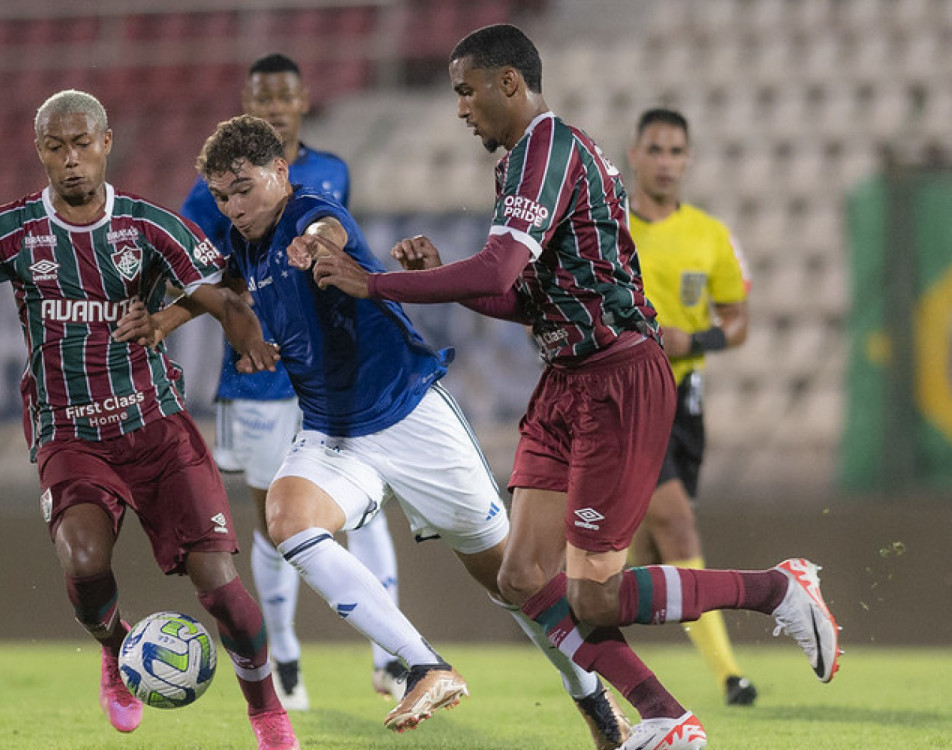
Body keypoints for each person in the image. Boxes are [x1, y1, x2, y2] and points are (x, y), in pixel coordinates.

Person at [309, 25, 840, 750]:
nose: (461, 110)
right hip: (565, 382)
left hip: (619, 378)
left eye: (466, 91)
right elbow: (519, 295)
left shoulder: (550, 148)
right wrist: (440, 275)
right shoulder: (521, 167)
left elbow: (497, 271)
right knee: (523, 576)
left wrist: (375, 283)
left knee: (593, 592)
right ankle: (664, 716)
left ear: (507, 83)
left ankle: (776, 589)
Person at [136, 113, 632, 747]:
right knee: (288, 519)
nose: (233, 206)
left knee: (518, 583)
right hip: (334, 433)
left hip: (411, 417)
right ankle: (425, 663)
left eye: (244, 187)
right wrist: (169, 322)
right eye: (222, 195)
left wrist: (320, 245)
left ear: (280, 173)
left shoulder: (307, 212)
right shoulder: (245, 243)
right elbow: (225, 288)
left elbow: (327, 227)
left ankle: (594, 701)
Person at [0, 89, 300, 750]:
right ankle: (117, 650)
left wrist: (243, 335)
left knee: (220, 587)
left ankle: (268, 716)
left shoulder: (148, 227)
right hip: (70, 433)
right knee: (84, 563)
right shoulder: (13, 231)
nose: (72, 159)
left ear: (107, 143)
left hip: (158, 426)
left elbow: (223, 296)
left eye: (83, 143)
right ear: (41, 154)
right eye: (57, 148)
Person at [180, 53, 405, 710]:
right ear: (248, 103)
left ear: (305, 100)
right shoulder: (213, 187)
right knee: (274, 521)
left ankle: (392, 658)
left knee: (364, 507)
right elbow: (198, 274)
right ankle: (285, 656)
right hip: (256, 378)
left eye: (284, 96)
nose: (275, 106)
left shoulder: (331, 172)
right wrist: (221, 317)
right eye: (261, 97)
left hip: (330, 374)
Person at [625, 107, 757, 706]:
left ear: (688, 159)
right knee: (678, 524)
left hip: (688, 401)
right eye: (655, 149)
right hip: (630, 397)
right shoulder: (613, 233)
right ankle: (731, 676)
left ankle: (571, 624)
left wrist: (694, 340)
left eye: (676, 151)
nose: (666, 162)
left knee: (648, 554)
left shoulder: (711, 235)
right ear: (634, 155)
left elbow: (737, 323)